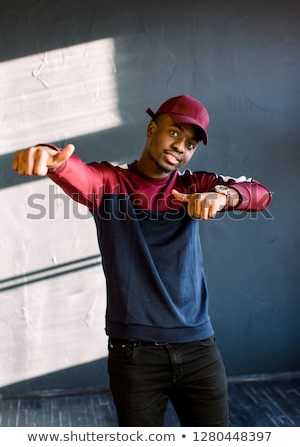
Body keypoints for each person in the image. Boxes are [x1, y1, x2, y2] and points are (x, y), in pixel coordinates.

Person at [12, 94, 272, 427]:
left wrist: (224, 195)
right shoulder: (110, 184)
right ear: (152, 129)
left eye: (190, 143)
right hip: (134, 355)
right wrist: (49, 156)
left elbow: (260, 193)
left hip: (199, 349)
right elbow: (76, 172)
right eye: (174, 133)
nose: (181, 146)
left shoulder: (195, 184)